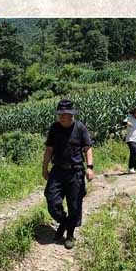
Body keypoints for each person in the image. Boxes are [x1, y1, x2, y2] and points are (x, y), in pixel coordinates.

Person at [42, 99, 94, 250]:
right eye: (60, 114)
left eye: (65, 114)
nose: (62, 116)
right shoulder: (54, 128)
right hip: (58, 170)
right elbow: (49, 149)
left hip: (75, 171)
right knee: (52, 200)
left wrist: (90, 167)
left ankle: (70, 234)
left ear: (71, 115)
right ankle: (63, 221)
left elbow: (87, 148)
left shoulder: (80, 128)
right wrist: (44, 168)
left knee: (75, 205)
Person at [123, 106, 136, 173]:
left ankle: (134, 168)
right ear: (134, 113)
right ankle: (130, 167)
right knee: (134, 150)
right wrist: (127, 123)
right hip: (130, 139)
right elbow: (122, 122)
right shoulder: (129, 118)